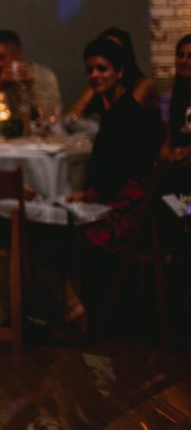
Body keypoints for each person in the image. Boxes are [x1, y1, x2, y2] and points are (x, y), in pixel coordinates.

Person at [60, 38, 165, 329]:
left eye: (102, 69)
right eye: (90, 70)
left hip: (126, 215)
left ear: (120, 72)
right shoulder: (116, 110)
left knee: (55, 229)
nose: (94, 75)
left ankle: (79, 315)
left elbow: (113, 180)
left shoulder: (125, 116)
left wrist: (85, 195)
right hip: (127, 205)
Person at [67, 27, 160, 118]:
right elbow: (73, 115)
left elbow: (126, 116)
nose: (94, 73)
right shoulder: (98, 84)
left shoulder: (143, 84)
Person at [0, 29, 62, 120]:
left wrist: (31, 87)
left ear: (18, 53)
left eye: (2, 57)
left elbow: (52, 114)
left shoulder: (43, 75)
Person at [159, 33, 191, 191]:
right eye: (180, 55)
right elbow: (168, 136)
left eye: (190, 56)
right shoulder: (172, 97)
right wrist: (168, 154)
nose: (184, 61)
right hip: (179, 167)